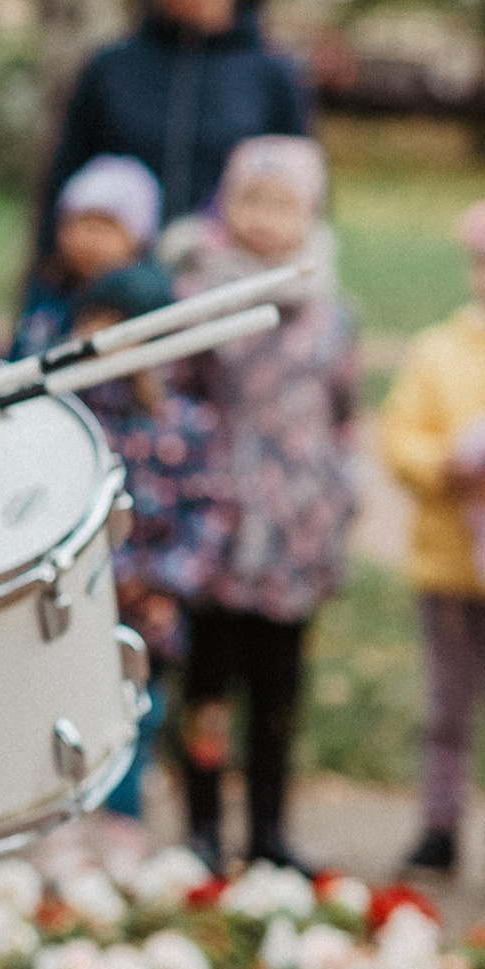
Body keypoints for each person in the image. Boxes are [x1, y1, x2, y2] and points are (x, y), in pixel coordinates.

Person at [164, 136, 357, 873]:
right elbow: (178, 399)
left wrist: (342, 494)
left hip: (296, 529)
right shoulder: (197, 299)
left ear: (311, 213)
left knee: (278, 688)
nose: (265, 218)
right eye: (251, 200)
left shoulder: (331, 313)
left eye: (284, 204)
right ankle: (203, 824)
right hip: (218, 524)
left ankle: (270, 829)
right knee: (209, 685)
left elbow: (343, 414)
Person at [61, 259, 233, 864]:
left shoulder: (186, 424)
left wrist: (164, 582)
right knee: (68, 708)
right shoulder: (70, 420)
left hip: (152, 606)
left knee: (140, 714)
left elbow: (209, 512)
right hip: (76, 603)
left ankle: (123, 829)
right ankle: (63, 827)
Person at [36, 0, 308, 253]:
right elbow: (62, 192)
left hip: (231, 278)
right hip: (118, 279)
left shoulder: (275, 77)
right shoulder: (108, 70)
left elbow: (305, 197)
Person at [376, 198, 485, 873]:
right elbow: (400, 437)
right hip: (449, 563)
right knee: (447, 706)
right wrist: (444, 467)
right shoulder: (437, 351)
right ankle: (440, 824)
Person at [13, 153, 162, 359]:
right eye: (81, 222)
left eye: (105, 225)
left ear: (139, 239)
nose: (89, 238)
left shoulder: (143, 301)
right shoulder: (47, 292)